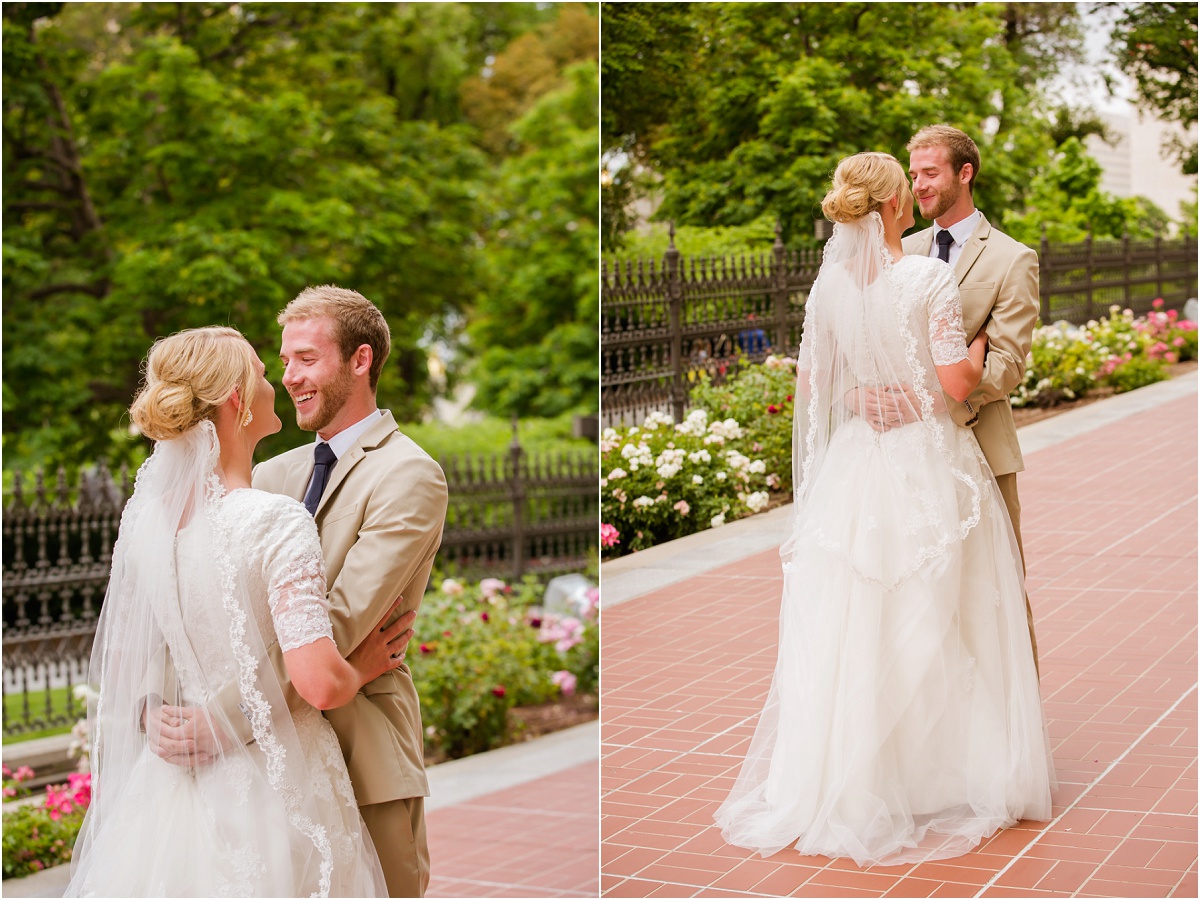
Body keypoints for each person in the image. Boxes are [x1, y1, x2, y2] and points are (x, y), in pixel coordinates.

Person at [713, 152, 1055, 867]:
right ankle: (941, 770)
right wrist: (978, 345)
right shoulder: (926, 276)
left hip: (856, 467)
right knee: (942, 607)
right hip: (926, 461)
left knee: (857, 613)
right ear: (897, 204)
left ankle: (859, 773)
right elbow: (958, 377)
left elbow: (814, 380)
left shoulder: (831, 285)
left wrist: (852, 399)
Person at [67, 326, 409, 896]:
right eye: (261, 366)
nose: (277, 379)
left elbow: (131, 650)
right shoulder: (274, 522)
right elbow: (319, 684)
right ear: (236, 399)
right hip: (278, 784)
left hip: (170, 790)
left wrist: (154, 714)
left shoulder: (147, 524)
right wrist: (362, 667)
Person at [147, 287, 449, 897]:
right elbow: (200, 604)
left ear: (359, 361)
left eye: (306, 359)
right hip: (251, 770)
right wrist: (158, 709)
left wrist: (219, 721)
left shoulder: (409, 474)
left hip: (358, 756)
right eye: (282, 362)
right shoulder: (270, 473)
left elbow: (337, 625)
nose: (289, 378)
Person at [862, 124, 1041, 674]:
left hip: (979, 446)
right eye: (913, 174)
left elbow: (1005, 364)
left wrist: (928, 403)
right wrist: (860, 397)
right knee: (913, 591)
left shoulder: (1012, 259)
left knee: (994, 591)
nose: (918, 185)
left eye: (930, 172)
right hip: (902, 455)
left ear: (964, 173)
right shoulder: (899, 247)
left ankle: (1015, 730)